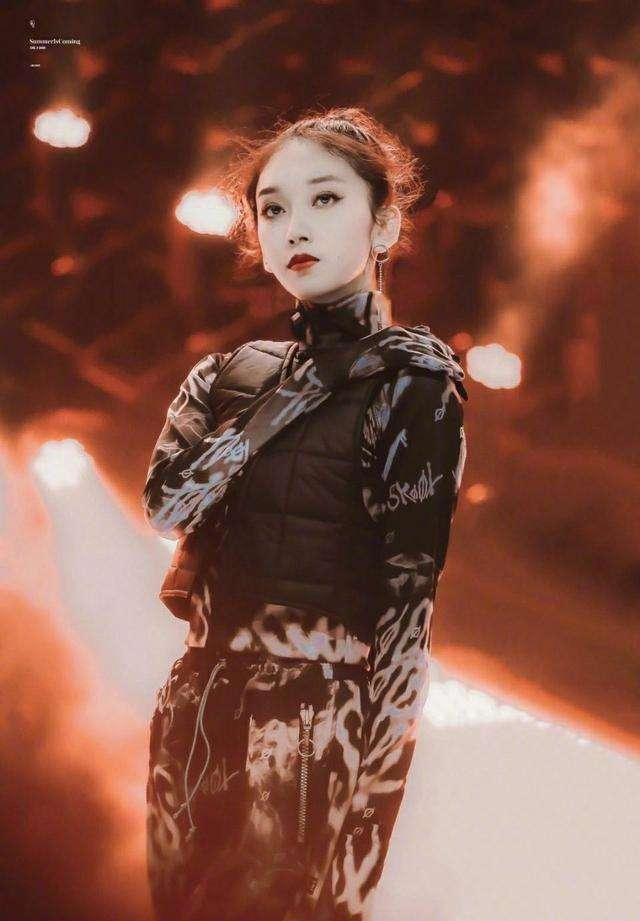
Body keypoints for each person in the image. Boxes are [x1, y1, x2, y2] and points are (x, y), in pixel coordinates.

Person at [142, 106, 468, 921]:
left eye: (325, 198)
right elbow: (166, 505)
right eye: (273, 207)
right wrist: (290, 396)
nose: (295, 226)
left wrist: (370, 816)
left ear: (383, 223)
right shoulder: (225, 375)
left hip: (316, 712)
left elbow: (408, 605)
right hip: (199, 694)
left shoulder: (414, 385)